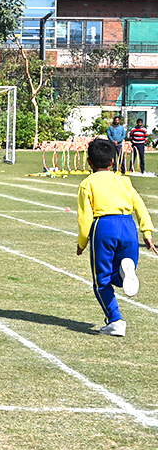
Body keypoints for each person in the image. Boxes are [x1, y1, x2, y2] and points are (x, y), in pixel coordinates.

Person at [76, 138, 157, 337]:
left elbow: (85, 217)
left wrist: (82, 242)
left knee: (101, 281)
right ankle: (126, 269)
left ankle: (115, 321)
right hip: (128, 226)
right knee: (120, 279)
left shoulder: (87, 184)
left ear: (89, 162)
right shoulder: (124, 181)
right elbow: (140, 206)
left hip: (104, 227)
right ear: (113, 162)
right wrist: (146, 233)